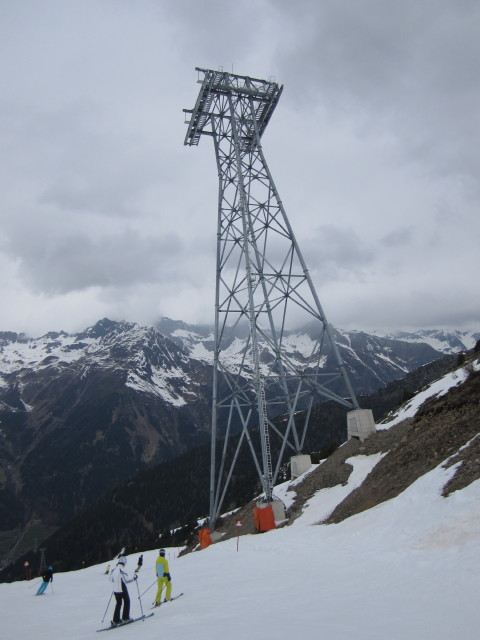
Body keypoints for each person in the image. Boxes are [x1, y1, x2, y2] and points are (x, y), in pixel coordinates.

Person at [109, 556, 137, 626]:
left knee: (118, 603)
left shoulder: (113, 570)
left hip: (115, 589)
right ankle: (126, 618)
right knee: (127, 601)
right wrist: (134, 578)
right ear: (124, 563)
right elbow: (126, 580)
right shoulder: (122, 570)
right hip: (122, 588)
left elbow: (111, 580)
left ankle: (116, 620)